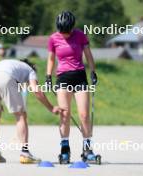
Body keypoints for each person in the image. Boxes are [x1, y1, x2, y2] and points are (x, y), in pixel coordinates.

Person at [0, 58, 61, 164]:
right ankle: (25, 153)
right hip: (5, 77)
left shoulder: (13, 64)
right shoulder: (30, 70)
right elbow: (36, 90)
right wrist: (51, 107)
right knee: (21, 116)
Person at [46, 11, 98, 163]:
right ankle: (65, 150)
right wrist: (48, 76)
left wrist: (93, 72)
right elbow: (50, 59)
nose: (65, 35)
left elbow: (88, 55)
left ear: (72, 28)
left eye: (67, 31)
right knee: (65, 114)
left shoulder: (80, 35)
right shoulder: (53, 38)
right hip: (63, 78)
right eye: (62, 31)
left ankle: (88, 150)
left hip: (80, 77)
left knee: (84, 115)